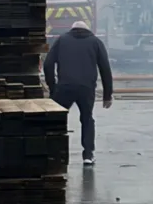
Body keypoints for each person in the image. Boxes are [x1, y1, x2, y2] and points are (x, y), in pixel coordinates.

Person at [42, 20, 114, 166]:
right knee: (87, 119)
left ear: (72, 29)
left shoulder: (62, 40)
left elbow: (48, 63)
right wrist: (107, 95)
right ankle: (88, 155)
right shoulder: (96, 42)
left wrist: (52, 86)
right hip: (86, 88)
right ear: (87, 29)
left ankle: (55, 154)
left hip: (64, 87)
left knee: (57, 120)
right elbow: (105, 69)